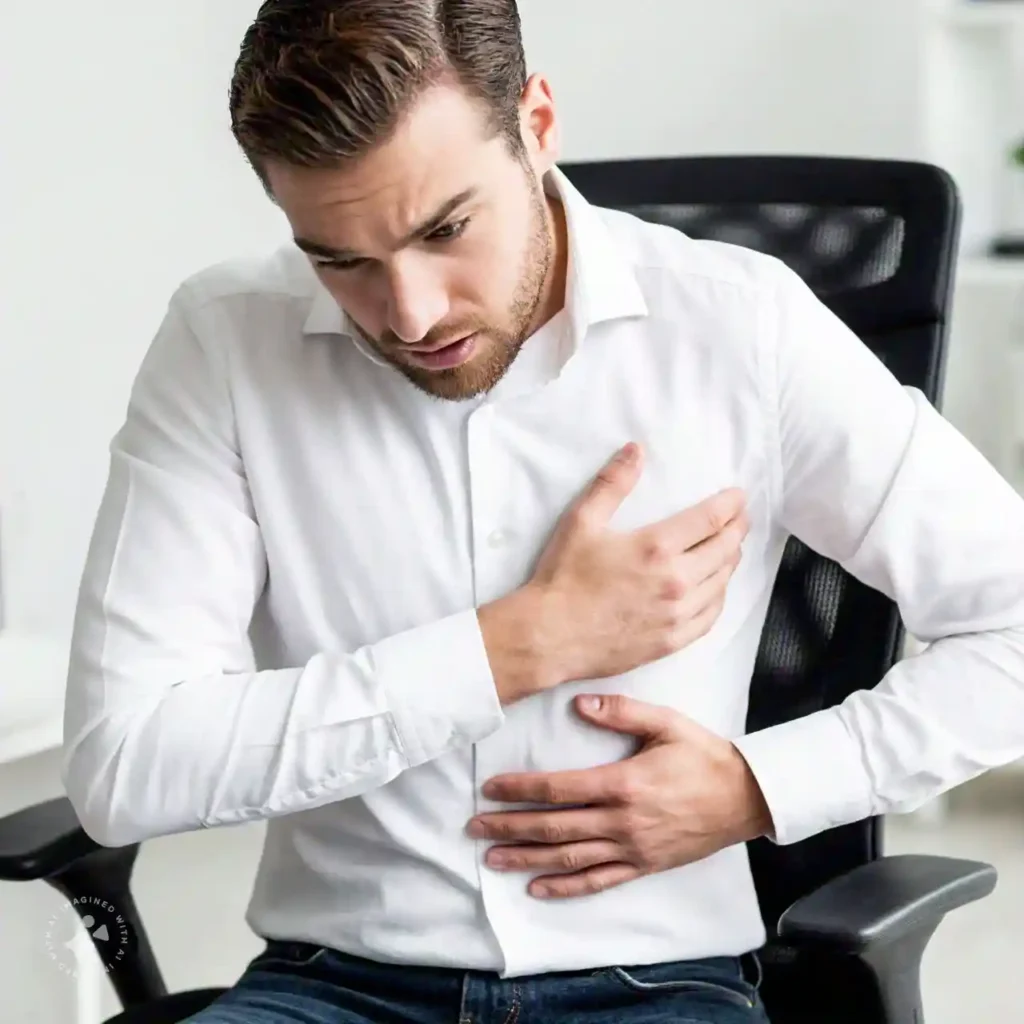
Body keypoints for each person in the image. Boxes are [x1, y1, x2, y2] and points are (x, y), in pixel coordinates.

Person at [61, 1, 1024, 1022]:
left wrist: (759, 785)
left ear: (538, 121)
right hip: (329, 986)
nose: (412, 312)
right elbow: (126, 762)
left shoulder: (742, 325)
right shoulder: (223, 343)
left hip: (658, 986)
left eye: (445, 229)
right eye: (339, 259)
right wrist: (511, 648)